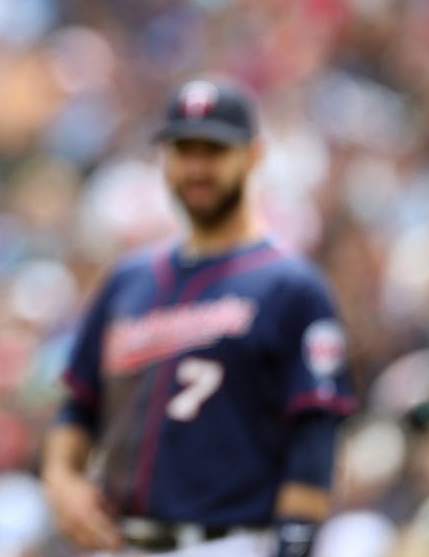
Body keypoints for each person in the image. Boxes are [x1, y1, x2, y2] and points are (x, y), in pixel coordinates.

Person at [41, 79, 357, 557]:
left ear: (253, 157)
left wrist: (297, 544)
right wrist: (62, 481)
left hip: (229, 543)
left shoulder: (292, 287)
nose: (196, 167)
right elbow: (79, 405)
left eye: (213, 150)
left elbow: (313, 438)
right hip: (122, 542)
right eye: (183, 150)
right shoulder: (129, 279)